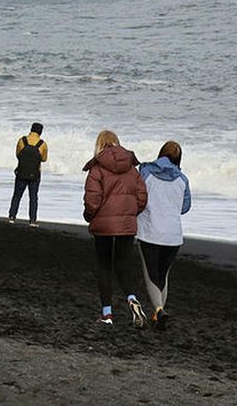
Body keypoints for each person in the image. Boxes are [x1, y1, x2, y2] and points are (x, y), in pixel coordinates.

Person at [83, 129, 149, 326]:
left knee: (104, 267)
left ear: (100, 145)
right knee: (124, 266)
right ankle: (131, 298)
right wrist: (130, 213)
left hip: (103, 225)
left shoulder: (97, 168)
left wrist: (89, 216)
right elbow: (142, 197)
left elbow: (92, 200)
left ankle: (107, 314)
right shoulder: (132, 170)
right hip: (126, 225)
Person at [136, 140, 192, 328]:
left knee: (150, 272)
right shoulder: (182, 179)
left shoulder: (146, 173)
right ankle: (157, 312)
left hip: (149, 230)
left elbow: (139, 199)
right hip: (173, 234)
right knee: (163, 274)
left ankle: (159, 309)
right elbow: (185, 207)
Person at [8, 122, 48, 225]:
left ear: (31, 129)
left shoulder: (22, 140)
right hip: (35, 174)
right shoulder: (42, 144)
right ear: (40, 132)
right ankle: (32, 220)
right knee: (33, 197)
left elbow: (17, 154)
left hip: (21, 171)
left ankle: (12, 217)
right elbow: (44, 159)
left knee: (17, 195)